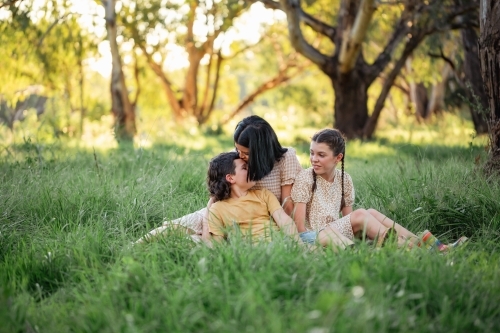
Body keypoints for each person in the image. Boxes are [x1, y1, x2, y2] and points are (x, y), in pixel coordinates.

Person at [135, 115, 303, 244]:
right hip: (223, 211)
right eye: (237, 150)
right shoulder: (238, 159)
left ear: (260, 150)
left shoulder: (286, 158)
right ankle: (133, 247)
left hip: (259, 219)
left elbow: (287, 205)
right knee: (173, 229)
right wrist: (207, 230)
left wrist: (288, 234)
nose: (240, 156)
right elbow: (215, 199)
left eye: (246, 153)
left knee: (195, 243)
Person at [291, 128, 464, 250]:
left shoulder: (345, 179)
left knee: (371, 212)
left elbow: (348, 219)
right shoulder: (306, 178)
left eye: (321, 155)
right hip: (316, 236)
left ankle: (424, 243)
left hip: (338, 231)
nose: (314, 159)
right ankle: (414, 249)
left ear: (338, 158)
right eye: (312, 153)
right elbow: (300, 229)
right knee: (361, 214)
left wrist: (359, 234)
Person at [206, 151, 352, 250]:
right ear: (230, 178)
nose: (251, 169)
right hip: (257, 249)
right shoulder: (218, 209)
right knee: (313, 251)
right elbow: (215, 245)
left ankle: (358, 258)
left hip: (284, 241)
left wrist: (299, 244)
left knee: (330, 235)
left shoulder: (263, 194)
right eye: (244, 168)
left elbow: (284, 220)